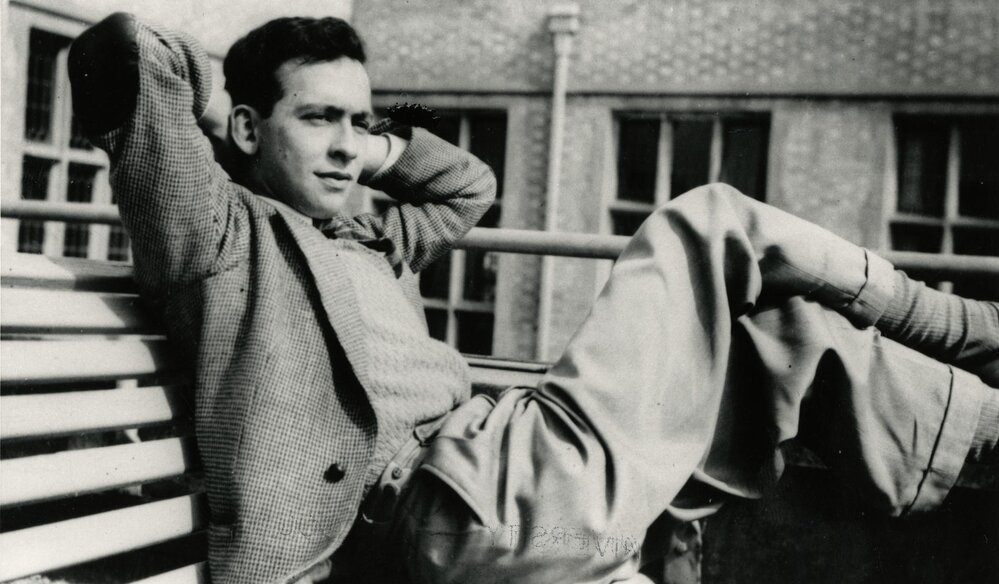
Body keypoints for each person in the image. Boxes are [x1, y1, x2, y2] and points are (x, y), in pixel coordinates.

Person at [68, 12, 998, 584]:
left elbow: (466, 185)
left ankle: (985, 429)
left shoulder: (369, 235)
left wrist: (356, 137)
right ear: (240, 127)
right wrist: (229, 127)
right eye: (319, 120)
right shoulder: (223, 239)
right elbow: (127, 54)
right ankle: (966, 329)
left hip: (508, 483)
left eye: (364, 123)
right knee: (704, 222)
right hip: (454, 510)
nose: (351, 147)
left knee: (779, 327)